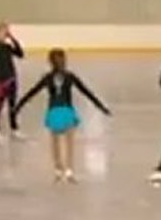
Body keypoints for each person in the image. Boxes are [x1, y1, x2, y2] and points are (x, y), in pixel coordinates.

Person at [13, 48, 111, 183]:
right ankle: (69, 170)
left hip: (54, 112)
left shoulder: (47, 78)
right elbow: (86, 92)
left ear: (50, 62)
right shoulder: (70, 77)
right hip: (67, 111)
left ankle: (58, 169)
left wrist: (18, 107)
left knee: (55, 143)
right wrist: (101, 107)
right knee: (69, 143)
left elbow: (32, 92)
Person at [0, 22, 25, 143]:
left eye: (7, 32)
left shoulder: (7, 47)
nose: (5, 34)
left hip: (12, 78)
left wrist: (13, 39)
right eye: (3, 32)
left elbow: (20, 54)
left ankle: (14, 129)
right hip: (1, 81)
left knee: (12, 105)